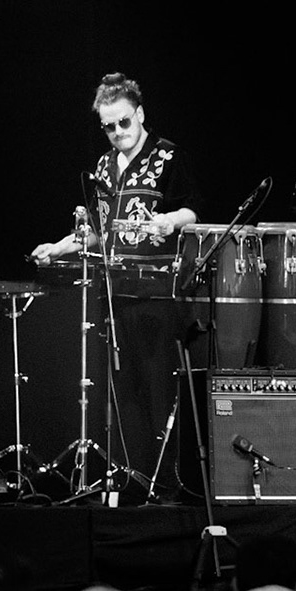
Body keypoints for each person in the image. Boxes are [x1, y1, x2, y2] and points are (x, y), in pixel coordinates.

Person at [33, 73, 202, 503]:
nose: (118, 133)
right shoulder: (104, 167)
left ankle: (166, 485)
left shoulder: (167, 156)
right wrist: (57, 247)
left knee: (159, 386)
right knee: (124, 392)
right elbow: (95, 229)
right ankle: (134, 478)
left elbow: (193, 211)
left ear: (140, 114)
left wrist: (170, 221)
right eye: (109, 126)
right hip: (115, 291)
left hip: (158, 292)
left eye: (123, 123)